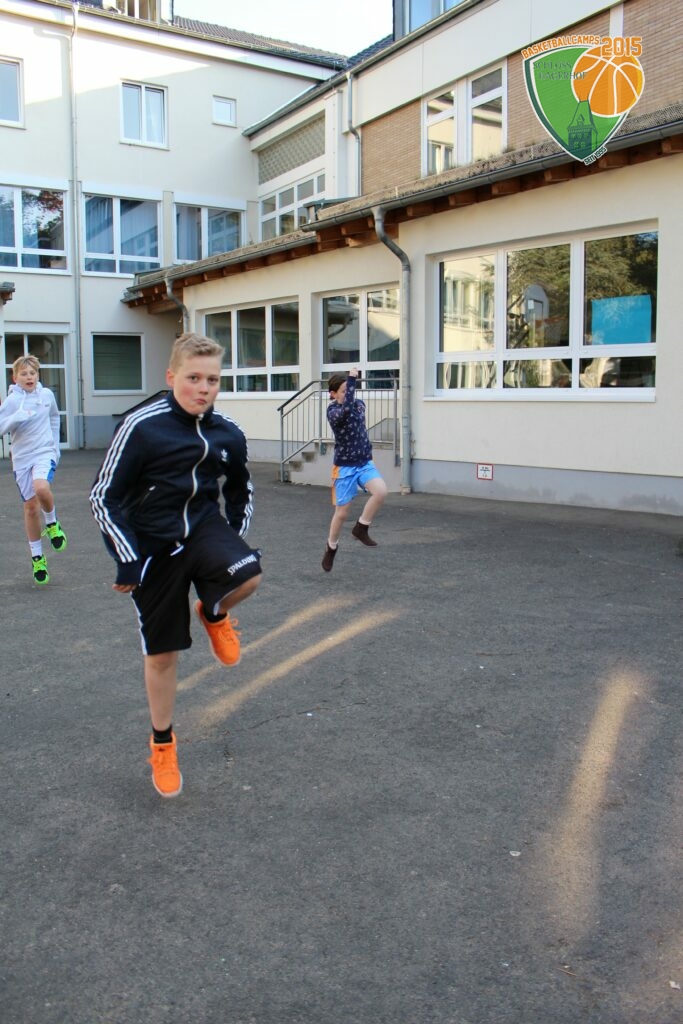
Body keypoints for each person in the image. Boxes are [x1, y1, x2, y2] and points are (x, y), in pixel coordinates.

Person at [89, 332, 262, 798]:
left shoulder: (227, 432)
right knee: (163, 656)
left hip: (203, 528)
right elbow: (103, 498)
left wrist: (232, 538)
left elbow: (240, 488)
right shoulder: (141, 426)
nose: (203, 388)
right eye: (193, 378)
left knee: (248, 574)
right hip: (151, 546)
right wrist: (128, 560)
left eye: (213, 380)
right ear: (171, 377)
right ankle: (163, 744)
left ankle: (213, 613)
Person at [0, 355, 67, 585]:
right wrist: (14, 419)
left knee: (41, 488)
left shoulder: (46, 395)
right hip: (21, 458)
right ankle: (38, 558)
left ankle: (52, 523)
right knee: (30, 508)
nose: (29, 377)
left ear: (38, 375)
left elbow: (54, 418)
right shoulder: (12, 401)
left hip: (44, 452)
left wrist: (55, 447)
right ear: (15, 377)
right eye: (24, 373)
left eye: (33, 373)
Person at [322, 368, 387, 572]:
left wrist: (368, 453)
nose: (347, 394)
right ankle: (331, 547)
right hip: (344, 468)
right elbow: (346, 411)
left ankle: (361, 527)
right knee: (341, 514)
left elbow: (358, 425)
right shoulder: (333, 412)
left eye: (348, 390)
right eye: (343, 391)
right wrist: (351, 380)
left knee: (381, 492)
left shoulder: (359, 404)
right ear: (333, 394)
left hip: (364, 463)